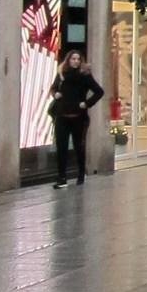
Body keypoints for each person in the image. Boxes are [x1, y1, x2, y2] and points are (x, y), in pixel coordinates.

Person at [48, 49, 105, 188]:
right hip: (62, 115)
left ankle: (80, 173)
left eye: (78, 59)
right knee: (61, 147)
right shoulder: (62, 74)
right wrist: (55, 94)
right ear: (68, 60)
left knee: (79, 146)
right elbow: (53, 88)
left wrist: (86, 103)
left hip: (78, 117)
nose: (76, 61)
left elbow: (99, 91)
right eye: (73, 59)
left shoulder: (85, 75)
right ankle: (62, 177)